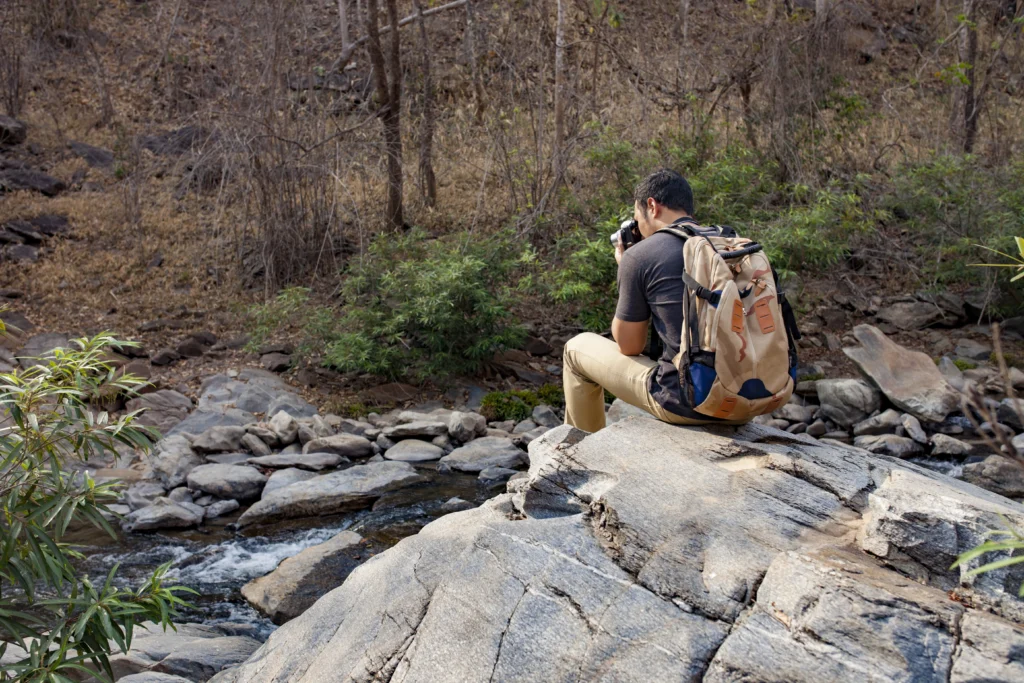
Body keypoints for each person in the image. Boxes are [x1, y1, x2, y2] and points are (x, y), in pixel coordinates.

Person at [562, 169, 740, 432]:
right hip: (746, 400)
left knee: (575, 349)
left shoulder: (641, 256)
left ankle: (582, 457)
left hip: (688, 402)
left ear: (652, 206)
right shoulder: (731, 244)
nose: (639, 228)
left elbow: (629, 345)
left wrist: (626, 268)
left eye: (637, 218)